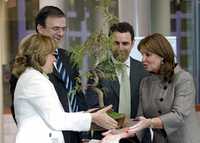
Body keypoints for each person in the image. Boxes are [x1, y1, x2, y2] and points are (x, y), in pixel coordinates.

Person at [9, 5, 110, 143]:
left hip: (71, 132)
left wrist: (85, 120)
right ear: (40, 28)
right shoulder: (30, 76)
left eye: (63, 29)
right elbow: (50, 117)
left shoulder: (67, 58)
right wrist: (90, 118)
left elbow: (76, 95)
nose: (61, 33)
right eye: (56, 28)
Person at [104, 33, 200, 143]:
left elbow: (179, 116)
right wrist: (120, 132)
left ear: (162, 56)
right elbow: (140, 120)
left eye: (148, 55)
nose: (142, 59)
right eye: (142, 55)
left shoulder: (183, 78)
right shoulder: (145, 82)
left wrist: (150, 122)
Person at [85, 22, 150, 142]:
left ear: (132, 44)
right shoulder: (97, 72)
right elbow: (92, 107)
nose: (120, 48)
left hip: (138, 137)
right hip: (107, 137)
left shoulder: (144, 71)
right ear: (110, 43)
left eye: (125, 43)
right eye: (116, 43)